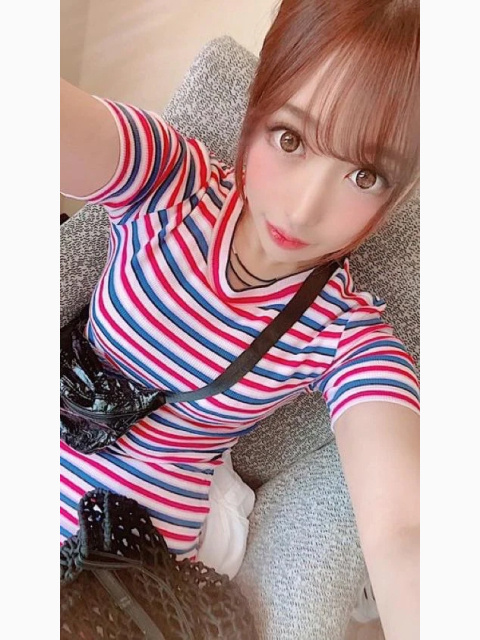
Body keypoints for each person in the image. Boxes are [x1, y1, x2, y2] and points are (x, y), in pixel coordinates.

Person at [60, 0, 419, 637]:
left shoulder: (345, 334)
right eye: (291, 139)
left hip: (116, 576)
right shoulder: (168, 184)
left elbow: (406, 534)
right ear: (258, 105)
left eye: (365, 175)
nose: (304, 210)